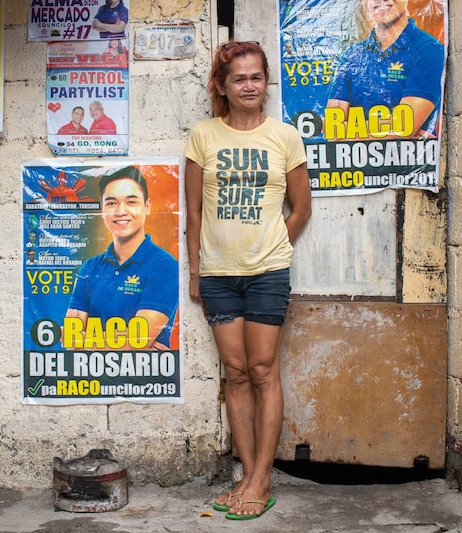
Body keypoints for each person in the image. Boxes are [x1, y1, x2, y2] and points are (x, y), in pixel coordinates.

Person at [184, 41, 311, 520]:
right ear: (223, 86)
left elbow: (301, 209)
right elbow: (194, 210)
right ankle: (247, 474)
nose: (250, 85)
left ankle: (260, 480)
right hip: (218, 274)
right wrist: (197, 269)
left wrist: (276, 245)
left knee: (262, 371)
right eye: (239, 78)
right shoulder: (203, 136)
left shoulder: (284, 137)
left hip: (267, 274)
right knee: (235, 374)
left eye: (257, 76)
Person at [326, 0, 444, 138]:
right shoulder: (352, 55)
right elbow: (331, 128)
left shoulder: (428, 49)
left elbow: (406, 124)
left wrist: (350, 129)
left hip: (406, 165)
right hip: (357, 166)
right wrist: (398, 128)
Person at [65, 166, 178, 351]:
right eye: (111, 203)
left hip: (142, 379)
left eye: (131, 202)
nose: (121, 211)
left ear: (147, 206)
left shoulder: (165, 266)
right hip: (91, 378)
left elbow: (138, 339)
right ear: (102, 209)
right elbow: (70, 338)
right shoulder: (90, 267)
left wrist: (87, 339)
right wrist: (130, 341)